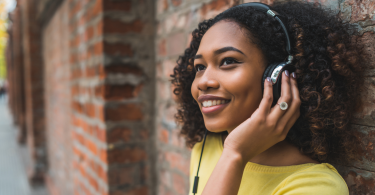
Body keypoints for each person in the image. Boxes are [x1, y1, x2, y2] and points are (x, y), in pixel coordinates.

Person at [171, 1, 365, 195]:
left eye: (228, 61)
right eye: (200, 67)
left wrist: (235, 155)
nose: (203, 82)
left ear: (278, 76)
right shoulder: (205, 149)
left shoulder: (315, 187)